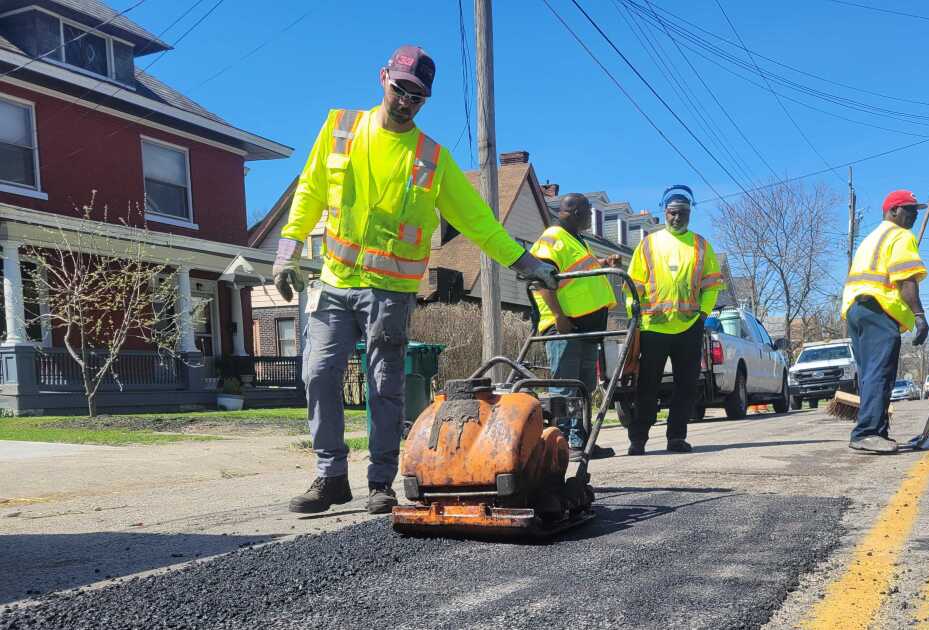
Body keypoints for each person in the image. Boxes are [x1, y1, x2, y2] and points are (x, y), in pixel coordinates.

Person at [273, 45, 557, 514]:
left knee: (385, 384)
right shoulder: (341, 129)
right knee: (317, 373)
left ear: (425, 101)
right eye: (400, 88)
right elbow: (309, 191)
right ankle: (330, 477)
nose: (405, 100)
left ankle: (380, 480)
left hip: (390, 291)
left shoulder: (432, 158)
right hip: (335, 282)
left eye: (417, 96)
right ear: (383, 77)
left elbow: (478, 222)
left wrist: (524, 262)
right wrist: (287, 251)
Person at [626, 185, 724, 455]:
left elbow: (712, 286)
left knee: (686, 386)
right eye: (671, 213)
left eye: (682, 213)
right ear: (664, 212)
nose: (676, 218)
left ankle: (676, 437)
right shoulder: (648, 244)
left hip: (688, 327)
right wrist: (633, 314)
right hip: (653, 327)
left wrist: (702, 315)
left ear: (689, 214)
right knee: (647, 386)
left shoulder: (701, 246)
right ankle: (638, 439)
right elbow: (632, 285)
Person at [529, 193, 621, 461]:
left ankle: (582, 443)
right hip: (565, 326)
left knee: (584, 387)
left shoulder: (576, 241)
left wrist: (603, 264)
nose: (592, 217)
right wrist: (559, 317)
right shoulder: (553, 239)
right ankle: (563, 446)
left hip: (586, 329)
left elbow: (576, 275)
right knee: (565, 389)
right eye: (590, 212)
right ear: (576, 211)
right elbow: (542, 280)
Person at [841, 189, 929, 454]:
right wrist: (919, 316)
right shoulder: (901, 236)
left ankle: (876, 431)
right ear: (892, 211)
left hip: (857, 310)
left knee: (870, 374)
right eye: (909, 209)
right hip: (879, 310)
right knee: (880, 372)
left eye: (916, 210)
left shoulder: (871, 238)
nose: (914, 215)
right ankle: (866, 432)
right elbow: (906, 280)